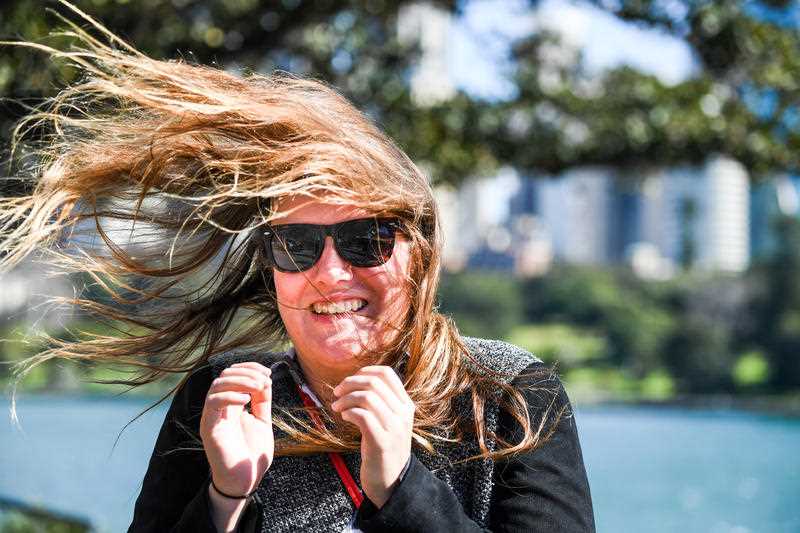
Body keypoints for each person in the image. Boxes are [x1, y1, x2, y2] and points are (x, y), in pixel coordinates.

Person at [1, 6, 595, 533]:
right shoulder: (221, 398)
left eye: (365, 240)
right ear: (270, 264)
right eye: (297, 246)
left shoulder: (509, 394)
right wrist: (224, 498)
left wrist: (401, 489)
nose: (331, 273)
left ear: (418, 252)